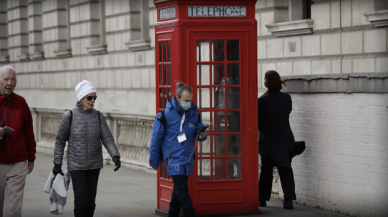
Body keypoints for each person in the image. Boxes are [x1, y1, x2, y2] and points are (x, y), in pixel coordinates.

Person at [53, 80, 121, 217]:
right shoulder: (69, 116)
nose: (92, 101)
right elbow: (60, 141)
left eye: (94, 97)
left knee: (90, 201)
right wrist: (57, 163)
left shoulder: (98, 116)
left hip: (94, 164)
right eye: (89, 97)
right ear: (81, 98)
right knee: (80, 199)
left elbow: (107, 138)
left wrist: (115, 155)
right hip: (76, 165)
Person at [149, 82, 208, 217]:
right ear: (177, 98)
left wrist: (202, 135)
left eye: (191, 100)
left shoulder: (194, 113)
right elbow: (156, 140)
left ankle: (173, 214)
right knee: (182, 189)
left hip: (187, 157)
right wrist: (154, 161)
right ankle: (189, 213)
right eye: (186, 100)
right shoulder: (164, 115)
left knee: (178, 190)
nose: (189, 103)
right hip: (173, 158)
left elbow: (200, 131)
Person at [0, 65, 36, 217]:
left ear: (16, 83)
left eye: (12, 80)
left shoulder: (21, 102)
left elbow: (28, 131)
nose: (9, 83)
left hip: (18, 163)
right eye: (6, 79)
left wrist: (31, 157)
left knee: (13, 210)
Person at [258, 70, 296, 209]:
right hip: (285, 139)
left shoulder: (262, 100)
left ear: (267, 82)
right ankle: (288, 201)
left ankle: (262, 199)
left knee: (266, 171)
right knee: (285, 169)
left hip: (268, 140)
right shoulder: (286, 98)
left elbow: (259, 123)